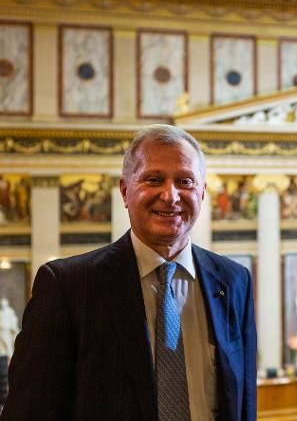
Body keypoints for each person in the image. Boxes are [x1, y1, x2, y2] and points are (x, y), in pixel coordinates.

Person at [1, 125, 257, 421]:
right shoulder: (67, 287)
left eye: (184, 181)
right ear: (125, 190)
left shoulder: (234, 281)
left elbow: (243, 404)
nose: (170, 195)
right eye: (154, 179)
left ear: (202, 192)